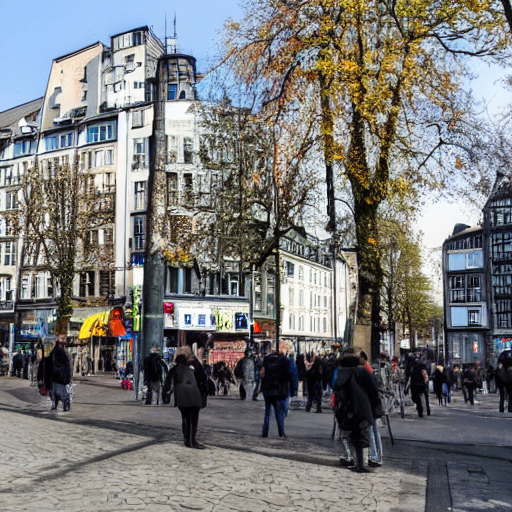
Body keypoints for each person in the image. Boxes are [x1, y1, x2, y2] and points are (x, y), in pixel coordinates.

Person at [333, 348, 382, 472]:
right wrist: (376, 409)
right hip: (363, 409)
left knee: (348, 436)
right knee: (365, 435)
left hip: (345, 410)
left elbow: (336, 389)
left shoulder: (341, 373)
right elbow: (373, 392)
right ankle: (365, 461)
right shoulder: (363, 372)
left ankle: (352, 458)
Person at [170, 346, 206, 449]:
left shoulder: (177, 366)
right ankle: (192, 441)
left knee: (185, 418)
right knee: (193, 419)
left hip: (181, 397)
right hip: (193, 395)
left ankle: (187, 439)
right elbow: (202, 379)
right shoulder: (194, 365)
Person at [261, 351, 296, 438]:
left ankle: (265, 432)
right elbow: (291, 376)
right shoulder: (284, 363)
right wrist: (292, 390)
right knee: (279, 412)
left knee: (267, 412)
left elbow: (262, 375)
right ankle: (281, 432)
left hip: (267, 390)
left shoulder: (267, 361)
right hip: (279, 391)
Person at [45, 339, 73, 412]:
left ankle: (59, 405)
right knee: (61, 394)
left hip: (57, 378)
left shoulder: (56, 354)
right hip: (59, 378)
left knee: (58, 394)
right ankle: (61, 406)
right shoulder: (61, 355)